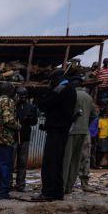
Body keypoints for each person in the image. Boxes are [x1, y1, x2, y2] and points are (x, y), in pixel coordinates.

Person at [35, 68, 77, 201]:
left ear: (55, 79)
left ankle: (47, 192)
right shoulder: (71, 89)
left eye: (51, 80)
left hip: (56, 130)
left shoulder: (60, 89)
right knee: (58, 163)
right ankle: (58, 192)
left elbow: (43, 105)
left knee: (50, 163)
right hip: (63, 130)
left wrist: (48, 91)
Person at [63, 76, 95, 193]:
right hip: (84, 131)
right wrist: (85, 123)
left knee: (67, 159)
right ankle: (75, 185)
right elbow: (94, 115)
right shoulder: (88, 97)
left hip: (71, 131)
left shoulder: (71, 95)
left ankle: (63, 186)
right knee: (80, 159)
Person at [13, 86, 38, 192]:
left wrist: (29, 119)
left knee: (22, 163)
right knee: (10, 162)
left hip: (25, 138)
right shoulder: (13, 106)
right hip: (13, 138)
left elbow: (34, 122)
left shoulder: (30, 107)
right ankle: (7, 183)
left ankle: (20, 184)